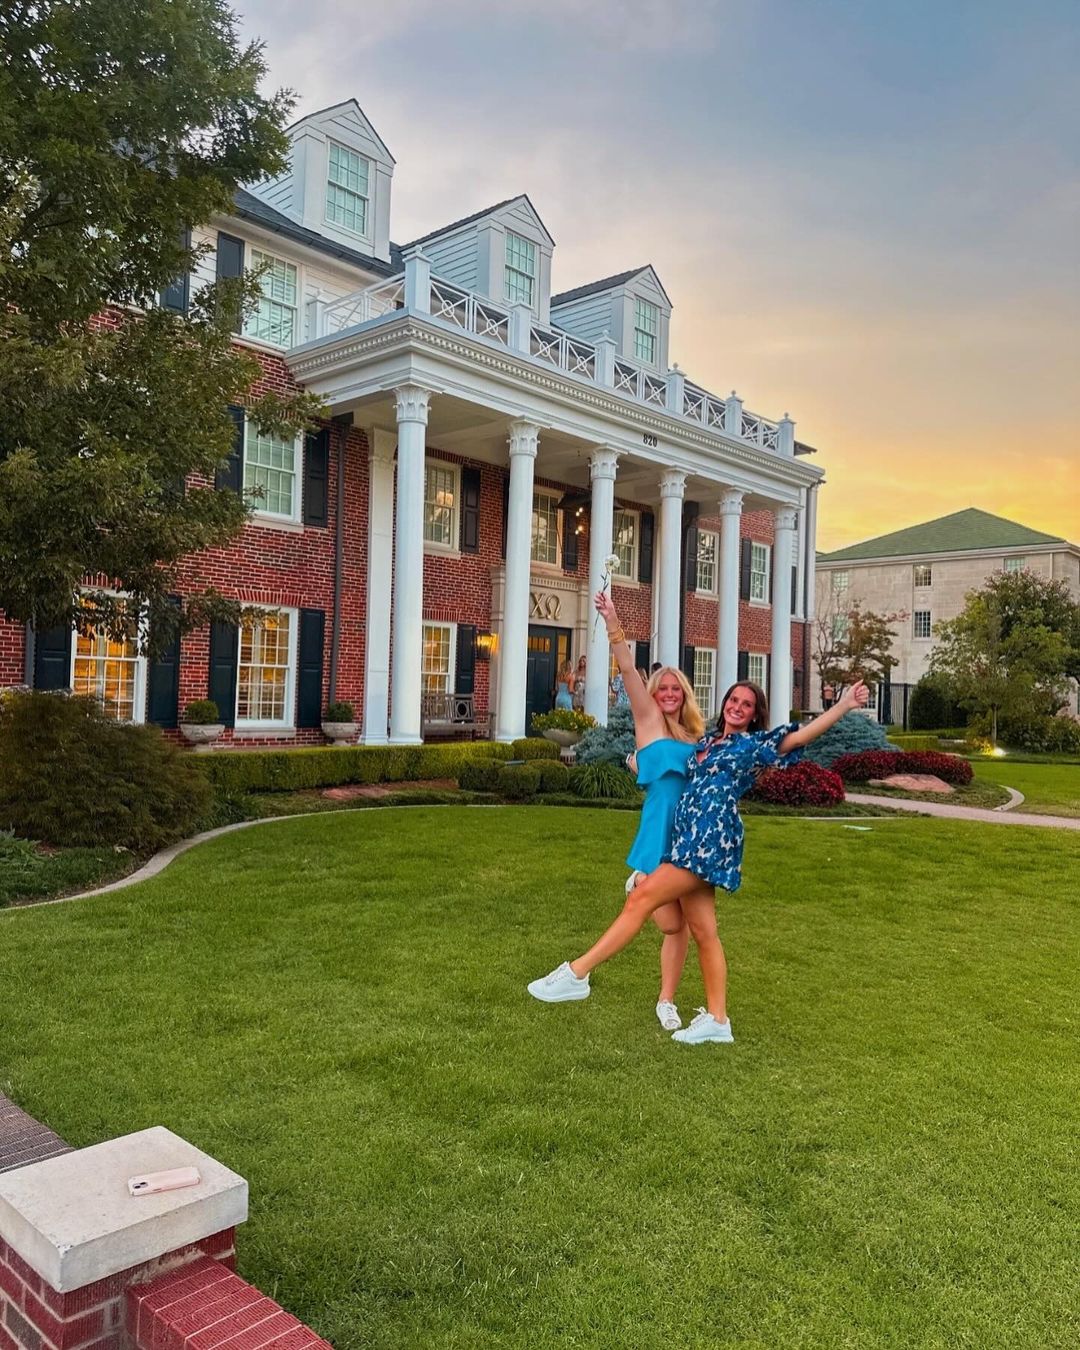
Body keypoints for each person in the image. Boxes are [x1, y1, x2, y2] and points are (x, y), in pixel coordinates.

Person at [528, 649, 870, 1045]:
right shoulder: (705, 741)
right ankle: (718, 1020)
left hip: (709, 841)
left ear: (754, 714)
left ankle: (577, 973)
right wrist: (638, 763)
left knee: (641, 900)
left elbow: (798, 737)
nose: (737, 707)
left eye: (747, 704)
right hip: (685, 839)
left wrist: (843, 705)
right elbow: (670, 762)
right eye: (733, 700)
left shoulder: (750, 745)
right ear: (724, 704)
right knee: (705, 932)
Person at [530, 590, 705, 1030]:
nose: (669, 693)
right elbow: (627, 669)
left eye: (675, 689)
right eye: (662, 688)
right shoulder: (648, 720)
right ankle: (577, 972)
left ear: (684, 695)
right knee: (658, 916)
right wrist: (612, 621)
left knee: (677, 926)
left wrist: (640, 765)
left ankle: (666, 1000)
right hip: (658, 830)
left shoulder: (694, 737)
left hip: (689, 833)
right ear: (654, 694)